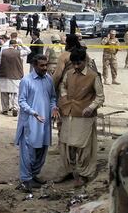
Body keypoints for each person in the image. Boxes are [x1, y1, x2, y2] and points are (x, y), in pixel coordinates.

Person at [56, 48, 105, 186]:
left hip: (84, 116)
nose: (76, 67)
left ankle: (84, 174)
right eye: (74, 64)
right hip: (69, 112)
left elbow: (100, 97)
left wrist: (90, 108)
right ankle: (69, 171)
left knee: (84, 146)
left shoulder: (94, 76)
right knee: (66, 143)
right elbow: (63, 86)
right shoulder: (69, 73)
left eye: (79, 64)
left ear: (85, 61)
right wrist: (64, 97)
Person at [15, 55, 58, 191]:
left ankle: (34, 175)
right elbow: (21, 101)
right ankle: (26, 179)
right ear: (34, 65)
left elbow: (52, 98)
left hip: (44, 122)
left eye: (46, 65)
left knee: (42, 151)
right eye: (42, 66)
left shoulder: (49, 79)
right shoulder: (26, 81)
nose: (45, 68)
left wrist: (53, 108)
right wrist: (34, 113)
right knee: (28, 152)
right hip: (30, 122)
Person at [0, 39, 25, 116]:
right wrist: (21, 45)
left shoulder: (3, 51)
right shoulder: (19, 52)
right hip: (15, 76)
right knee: (16, 93)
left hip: (4, 74)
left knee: (4, 94)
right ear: (15, 45)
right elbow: (28, 51)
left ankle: (5, 109)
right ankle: (15, 108)